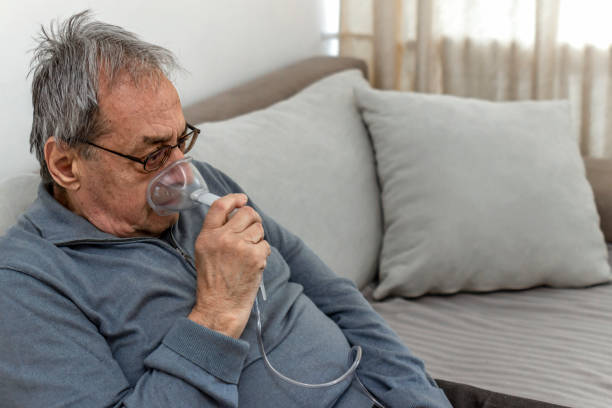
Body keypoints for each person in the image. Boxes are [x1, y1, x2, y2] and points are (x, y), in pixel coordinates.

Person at [0, 11, 566, 408]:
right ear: (67, 165)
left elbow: (337, 296)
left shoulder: (202, 184)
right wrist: (218, 312)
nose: (180, 171)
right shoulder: (28, 289)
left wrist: (418, 395)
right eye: (151, 155)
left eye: (182, 139)